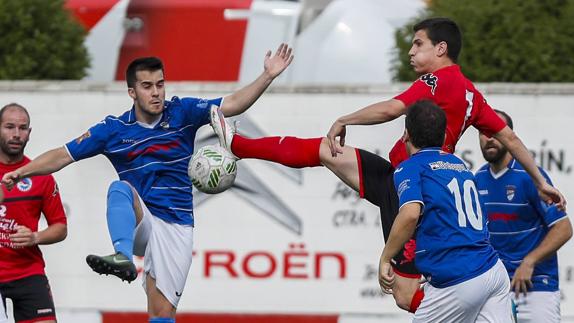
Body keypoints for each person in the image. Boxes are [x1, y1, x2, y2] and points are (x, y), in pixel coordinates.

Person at [209, 18, 565, 312]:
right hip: (400, 179)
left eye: (418, 44)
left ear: (440, 49)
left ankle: (457, 311)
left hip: (411, 189)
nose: (411, 51)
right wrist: (541, 180)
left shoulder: (436, 80)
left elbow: (392, 109)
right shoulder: (472, 94)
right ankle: (237, 144)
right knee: (324, 151)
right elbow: (512, 139)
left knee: (405, 295)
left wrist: (344, 118)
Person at [1, 45, 293, 322]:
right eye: (147, 86)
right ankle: (122, 256)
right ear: (132, 91)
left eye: (160, 84)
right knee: (120, 189)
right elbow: (61, 155)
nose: (156, 93)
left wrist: (267, 75)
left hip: (177, 226)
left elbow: (232, 104)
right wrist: (22, 172)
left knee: (161, 313)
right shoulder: (113, 129)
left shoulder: (183, 113)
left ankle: (128, 262)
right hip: (141, 220)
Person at [378, 100, 512, 322]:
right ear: (443, 137)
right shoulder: (459, 166)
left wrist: (385, 258)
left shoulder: (410, 166)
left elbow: (410, 213)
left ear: (406, 135)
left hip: (458, 280)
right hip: (493, 271)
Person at [475, 110, 572, 323]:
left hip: (536, 287)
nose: (488, 138)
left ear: (509, 136)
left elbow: (564, 228)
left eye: (494, 132)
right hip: (496, 289)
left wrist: (529, 262)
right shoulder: (478, 179)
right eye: (483, 132)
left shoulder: (530, 176)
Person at [0, 103, 67, 323]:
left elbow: (60, 227)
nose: (16, 134)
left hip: (27, 273)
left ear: (29, 133)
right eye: (9, 127)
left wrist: (35, 237)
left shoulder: (41, 175)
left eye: (22, 128)